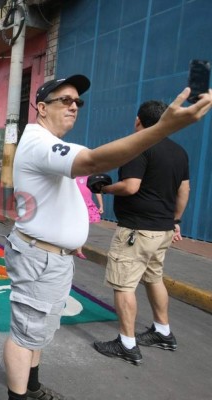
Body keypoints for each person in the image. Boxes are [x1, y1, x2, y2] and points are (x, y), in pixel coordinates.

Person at [4, 74, 211, 400]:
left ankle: (32, 389)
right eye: (65, 100)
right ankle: (19, 396)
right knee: (26, 334)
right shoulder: (38, 142)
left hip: (55, 256)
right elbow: (93, 160)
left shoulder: (48, 143)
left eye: (78, 102)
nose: (74, 106)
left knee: (40, 331)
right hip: (40, 258)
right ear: (41, 108)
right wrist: (162, 129)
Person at [93, 100, 189, 365]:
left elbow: (131, 186)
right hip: (163, 230)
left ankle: (126, 344)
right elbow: (184, 190)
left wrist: (104, 189)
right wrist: (176, 219)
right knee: (154, 278)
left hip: (137, 229)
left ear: (139, 120)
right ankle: (163, 332)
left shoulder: (139, 146)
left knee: (124, 285)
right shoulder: (179, 152)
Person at [74, 175, 104, 259]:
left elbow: (97, 192)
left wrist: (101, 205)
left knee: (82, 228)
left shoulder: (90, 178)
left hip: (87, 205)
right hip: (75, 204)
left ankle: (79, 251)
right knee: (74, 226)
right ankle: (71, 245)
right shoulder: (73, 177)